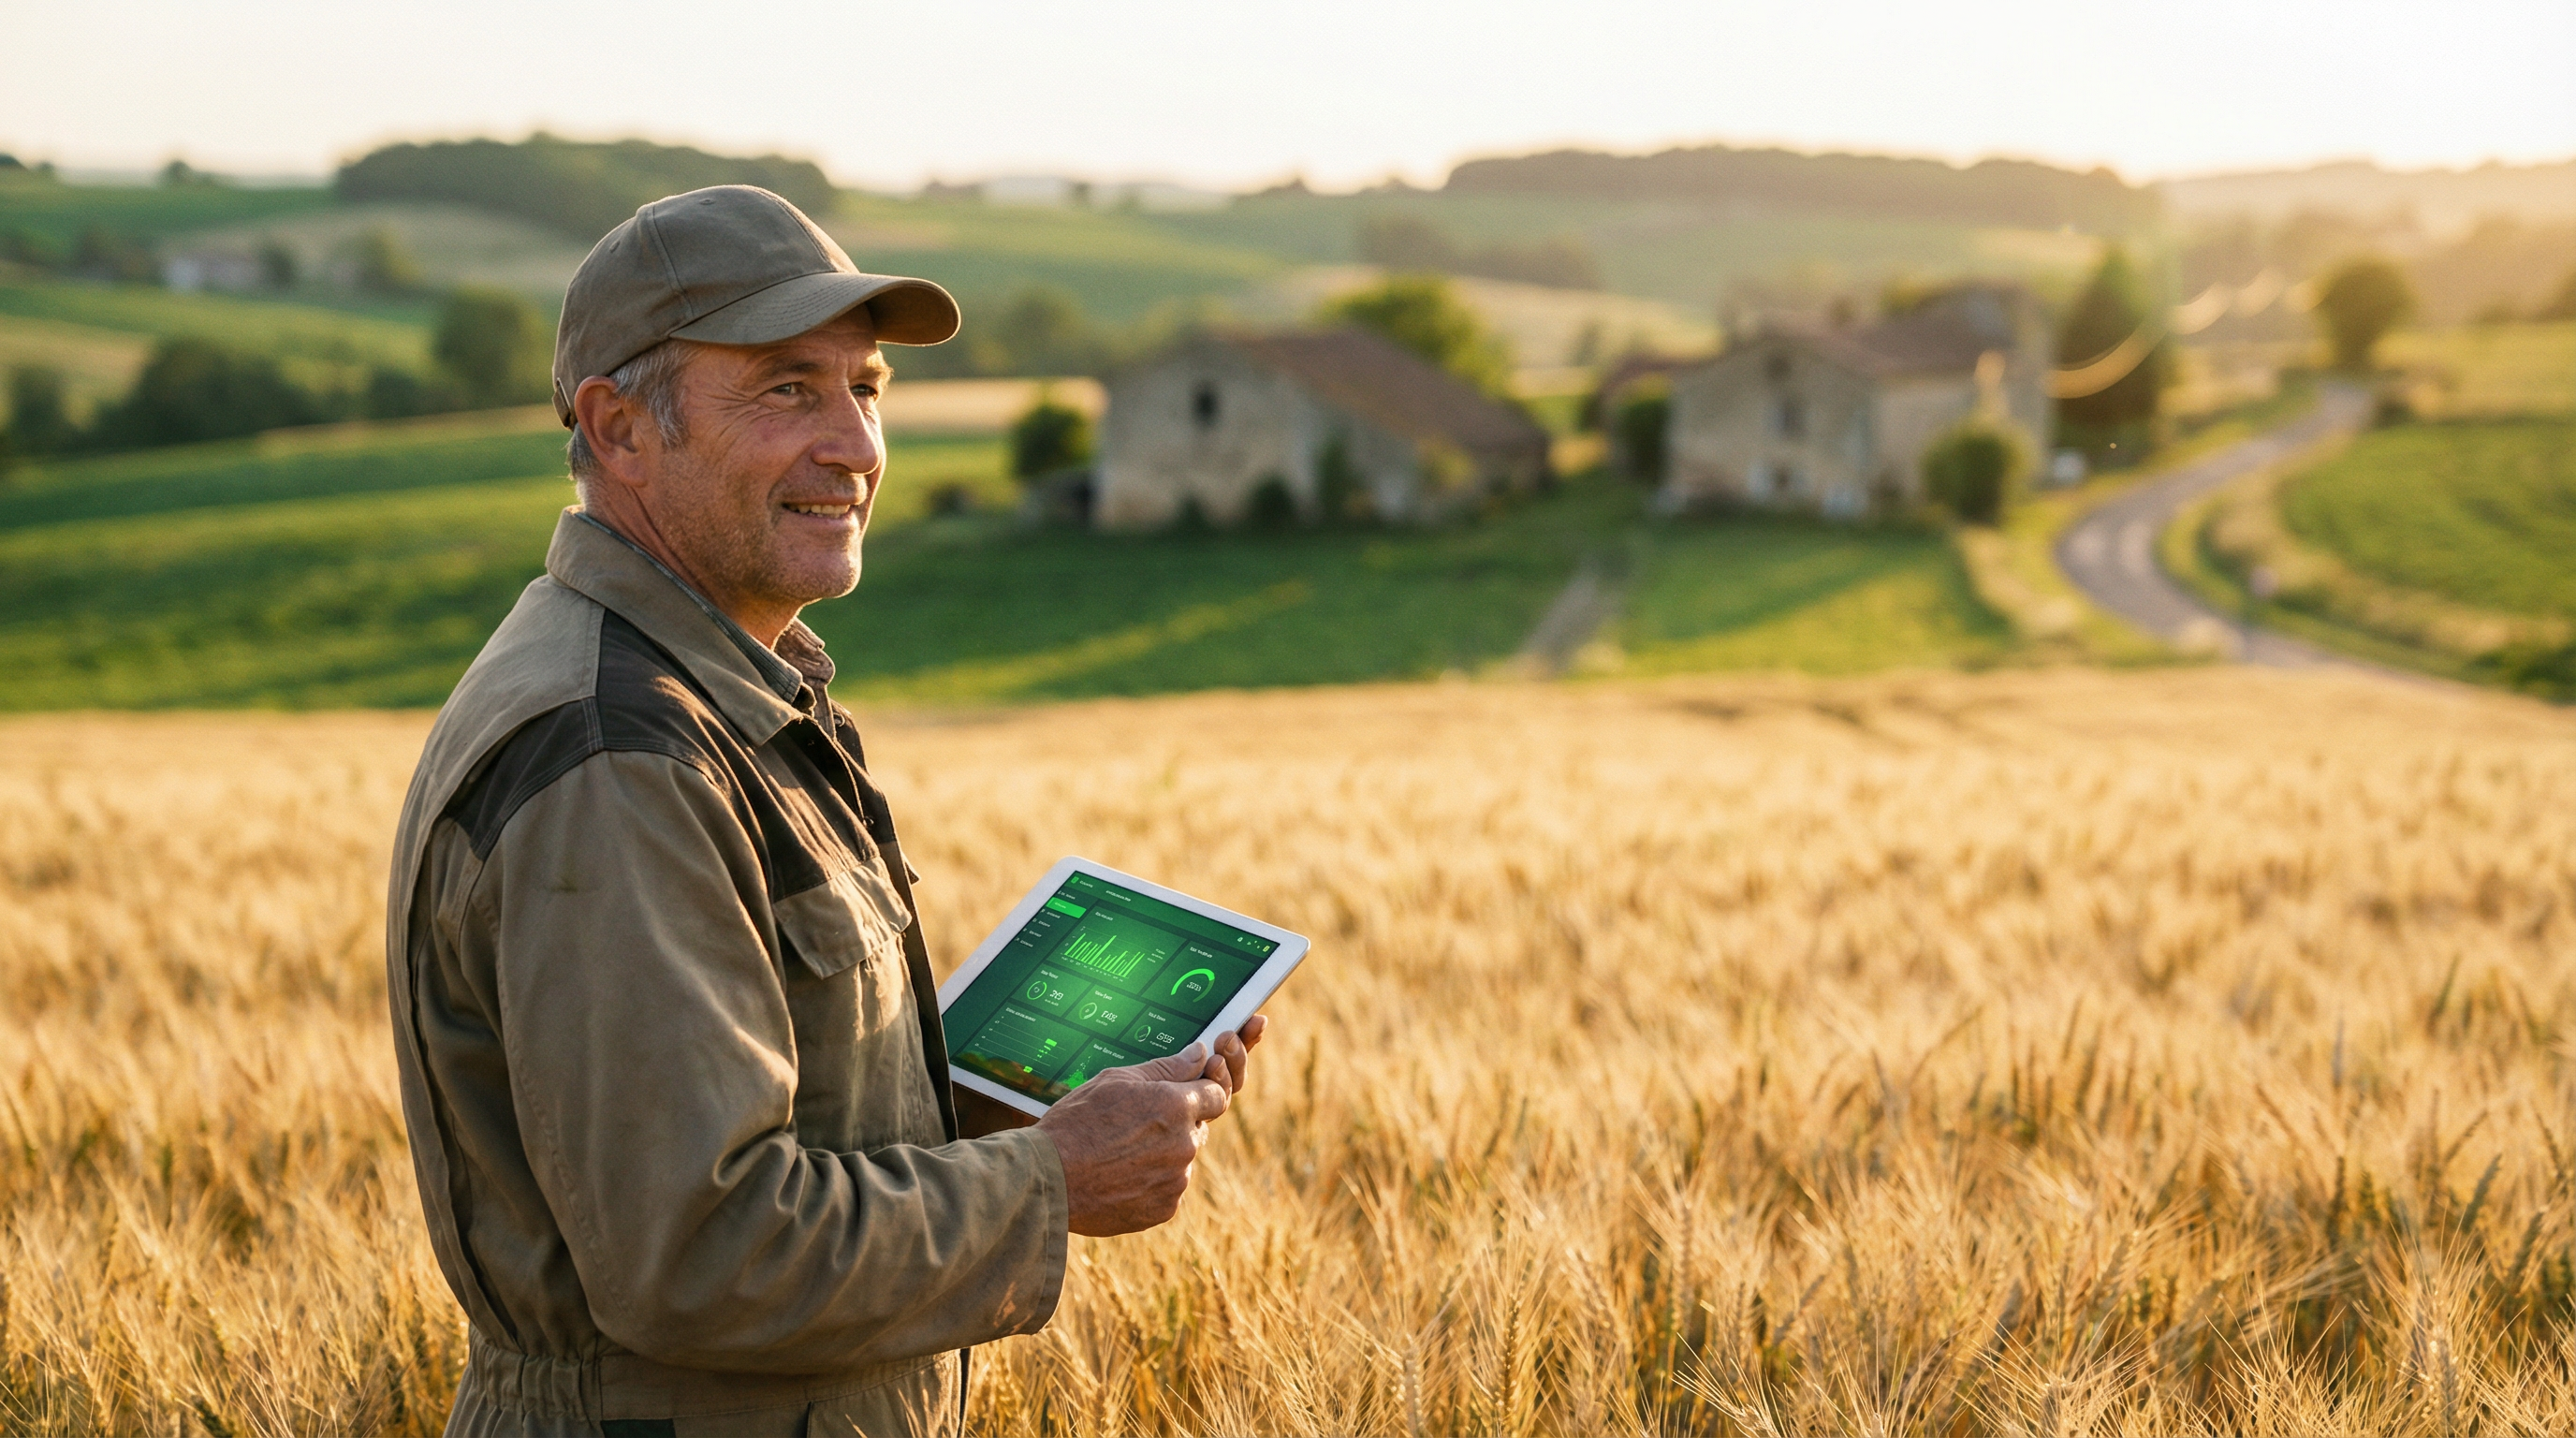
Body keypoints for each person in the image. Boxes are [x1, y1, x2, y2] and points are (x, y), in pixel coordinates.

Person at [383, 185, 1266, 1438]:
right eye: (788, 390)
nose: (854, 446)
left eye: (867, 389)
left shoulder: (716, 692)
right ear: (620, 429)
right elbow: (698, 1253)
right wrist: (1050, 1178)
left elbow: (767, 1133)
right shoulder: (619, 754)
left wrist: (1005, 1105)